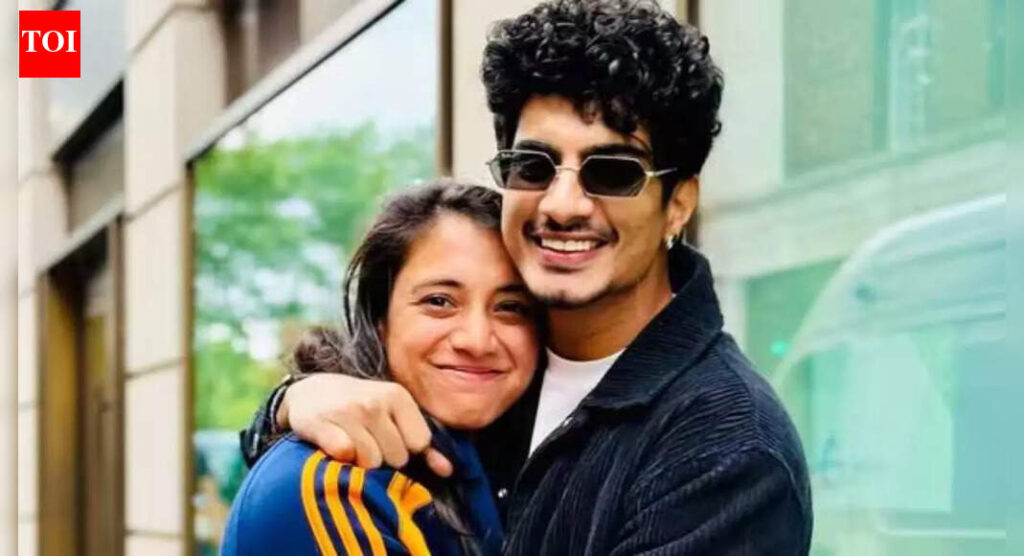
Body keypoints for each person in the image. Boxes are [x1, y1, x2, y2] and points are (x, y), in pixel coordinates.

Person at [242, 1, 813, 553]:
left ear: (678, 204)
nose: (562, 205)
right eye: (534, 166)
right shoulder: (498, 378)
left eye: (611, 173)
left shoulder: (728, 448)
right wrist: (294, 402)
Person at [223, 182, 540, 555]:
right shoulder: (334, 488)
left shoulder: (508, 465)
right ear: (380, 319)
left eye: (510, 307)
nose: (477, 340)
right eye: (439, 301)